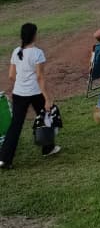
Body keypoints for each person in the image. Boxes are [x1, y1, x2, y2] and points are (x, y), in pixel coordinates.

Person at [0, 23, 60, 169]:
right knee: (46, 117)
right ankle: (48, 148)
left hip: (19, 93)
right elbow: (40, 77)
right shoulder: (38, 53)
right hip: (35, 92)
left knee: (16, 125)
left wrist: (23, 83)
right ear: (34, 35)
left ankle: (4, 159)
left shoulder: (16, 52)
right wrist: (47, 98)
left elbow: (11, 76)